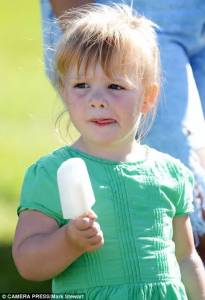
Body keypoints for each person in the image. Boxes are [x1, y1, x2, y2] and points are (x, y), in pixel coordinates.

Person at [13, 4, 205, 298]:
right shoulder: (52, 173)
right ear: (63, 91)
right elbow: (28, 263)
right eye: (82, 85)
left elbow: (186, 258)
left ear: (148, 97)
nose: (97, 100)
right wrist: (69, 241)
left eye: (115, 86)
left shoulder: (172, 174)